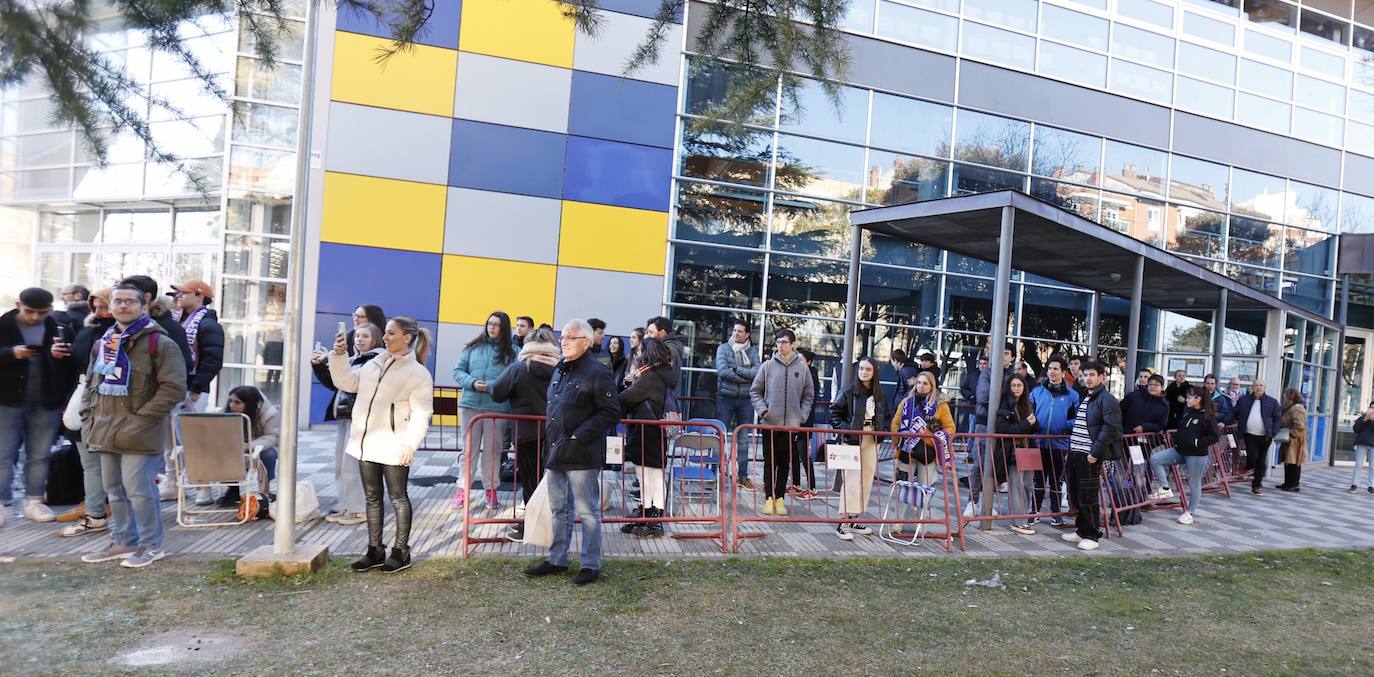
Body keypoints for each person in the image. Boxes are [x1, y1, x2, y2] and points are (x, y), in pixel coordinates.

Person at [78, 285, 187, 568]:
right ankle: (123, 540)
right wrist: (88, 416)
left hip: (140, 430)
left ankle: (151, 545)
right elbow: (93, 383)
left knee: (139, 490)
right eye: (117, 301)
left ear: (144, 306)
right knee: (114, 489)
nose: (123, 306)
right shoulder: (104, 342)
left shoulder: (160, 344)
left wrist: (142, 419)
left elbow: (173, 388)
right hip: (104, 427)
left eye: (129, 302)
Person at [329, 316, 433, 573]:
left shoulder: (418, 373)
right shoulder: (374, 363)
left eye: (391, 333)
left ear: (407, 337)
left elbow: (422, 413)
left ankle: (401, 551)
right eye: (385, 333)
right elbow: (347, 383)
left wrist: (410, 444)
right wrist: (339, 355)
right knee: (372, 498)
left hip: (395, 445)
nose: (385, 338)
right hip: (366, 443)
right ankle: (375, 550)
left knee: (398, 497)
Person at [523, 319, 622, 586]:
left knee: (587, 511)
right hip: (555, 451)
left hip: (582, 454)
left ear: (586, 343)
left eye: (570, 337)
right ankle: (557, 559)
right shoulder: (560, 370)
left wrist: (581, 433)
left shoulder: (597, 373)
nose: (563, 341)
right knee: (559, 510)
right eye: (562, 337)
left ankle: (590, 565)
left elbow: (611, 411)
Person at [1, 287, 77, 523]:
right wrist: (11, 354)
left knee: (40, 455)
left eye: (41, 312)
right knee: (4, 454)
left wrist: (56, 356)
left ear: (51, 310)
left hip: (46, 401)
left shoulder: (58, 327)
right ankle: (2, 502)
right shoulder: (3, 326)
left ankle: (34, 501)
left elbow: (71, 364)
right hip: (7, 400)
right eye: (29, 311)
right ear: (17, 304)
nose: (35, 317)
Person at [489, 327, 559, 542]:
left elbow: (497, 392)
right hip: (557, 432)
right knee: (554, 481)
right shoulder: (562, 369)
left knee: (531, 481)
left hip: (527, 433)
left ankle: (531, 528)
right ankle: (554, 526)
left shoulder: (519, 368)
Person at [311, 322, 384, 525]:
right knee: (341, 465)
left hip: (359, 418)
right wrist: (320, 364)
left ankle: (358, 509)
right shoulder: (354, 359)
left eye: (365, 336)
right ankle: (346, 504)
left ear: (376, 339)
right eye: (358, 336)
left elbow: (351, 384)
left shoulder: (375, 361)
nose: (359, 339)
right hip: (345, 415)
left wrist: (333, 360)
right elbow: (336, 383)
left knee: (352, 466)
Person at [56, 288, 114, 534]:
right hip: (83, 403)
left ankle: (103, 513)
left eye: (105, 306)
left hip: (110, 406)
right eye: (96, 307)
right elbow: (76, 368)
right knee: (90, 464)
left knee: (115, 467)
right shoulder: (88, 332)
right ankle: (94, 512)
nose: (100, 312)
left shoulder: (126, 335)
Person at [450, 311, 515, 513]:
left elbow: (514, 378)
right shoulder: (472, 347)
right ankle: (462, 490)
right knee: (468, 451)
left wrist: (491, 386)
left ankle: (491, 490)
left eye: (496, 325)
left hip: (497, 407)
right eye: (489, 324)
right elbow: (458, 371)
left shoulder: (513, 352)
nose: (492, 327)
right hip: (471, 404)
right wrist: (471, 383)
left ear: (504, 327)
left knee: (493, 452)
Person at [749, 329, 814, 517]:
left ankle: (780, 498)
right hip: (770, 423)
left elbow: (809, 395)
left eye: (784, 342)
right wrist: (763, 411)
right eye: (778, 342)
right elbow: (755, 391)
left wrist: (802, 416)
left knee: (785, 463)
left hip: (791, 425)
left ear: (793, 344)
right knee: (769, 463)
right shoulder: (767, 366)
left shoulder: (802, 369)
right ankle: (769, 498)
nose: (781, 345)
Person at [1060, 359, 1122, 552]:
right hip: (1076, 453)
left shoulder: (1107, 399)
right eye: (1085, 375)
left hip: (1089, 455)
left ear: (1102, 377)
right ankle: (1081, 530)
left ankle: (1092, 535)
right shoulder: (1088, 396)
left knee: (1088, 496)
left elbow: (1110, 428)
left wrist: (1094, 453)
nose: (1087, 378)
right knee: (1077, 495)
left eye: (1091, 375)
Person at [618, 338, 675, 538]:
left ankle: (653, 518)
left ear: (647, 354)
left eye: (640, 351)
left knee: (650, 476)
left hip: (647, 432)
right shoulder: (657, 375)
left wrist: (626, 384)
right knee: (648, 475)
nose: (636, 355)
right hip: (649, 432)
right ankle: (647, 512)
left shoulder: (650, 377)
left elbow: (625, 399)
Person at [829, 356, 889, 540]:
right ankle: (843, 522)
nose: (864, 372)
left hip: (872, 438)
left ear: (874, 372)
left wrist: (883, 431)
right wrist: (848, 431)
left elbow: (886, 415)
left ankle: (854, 518)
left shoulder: (879, 394)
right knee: (851, 479)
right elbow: (834, 414)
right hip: (852, 439)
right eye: (861, 369)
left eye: (868, 369)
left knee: (866, 478)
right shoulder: (848, 391)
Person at [1022, 356, 1079, 530]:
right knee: (1038, 480)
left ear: (1063, 372)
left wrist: (1064, 426)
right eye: (1050, 369)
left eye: (1056, 369)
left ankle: (1055, 515)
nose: (1052, 372)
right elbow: (1027, 411)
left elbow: (1076, 419)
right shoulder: (1037, 392)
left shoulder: (1072, 395)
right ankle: (1034, 513)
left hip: (1059, 444)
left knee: (1056, 481)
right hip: (1038, 443)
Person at [1147, 387, 1217, 525]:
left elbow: (1215, 436)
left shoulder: (1207, 415)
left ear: (1198, 399)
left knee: (1194, 483)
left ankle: (1189, 513)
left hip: (1196, 455)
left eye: (1190, 397)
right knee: (1156, 459)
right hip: (1180, 451)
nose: (1187, 399)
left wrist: (1198, 443)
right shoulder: (1188, 413)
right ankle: (1165, 488)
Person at [214, 386, 281, 507]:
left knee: (269, 454)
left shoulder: (269, 413)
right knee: (225, 453)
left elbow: (272, 437)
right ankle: (233, 490)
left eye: (237, 402)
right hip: (236, 446)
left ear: (249, 403)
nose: (231, 405)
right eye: (230, 401)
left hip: (260, 445)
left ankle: (265, 490)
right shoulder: (226, 412)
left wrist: (249, 446)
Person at [891, 371, 956, 490]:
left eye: (925, 383)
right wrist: (898, 440)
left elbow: (950, 428)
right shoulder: (905, 402)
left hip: (927, 453)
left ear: (932, 386)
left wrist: (931, 433)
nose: (921, 386)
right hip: (906, 452)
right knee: (901, 491)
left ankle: (922, 510)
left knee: (923, 492)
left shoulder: (941, 405)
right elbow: (895, 425)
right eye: (919, 382)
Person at [715, 319, 759, 489]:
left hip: (746, 400)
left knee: (743, 438)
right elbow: (722, 371)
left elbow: (757, 372)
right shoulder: (723, 348)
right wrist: (744, 377)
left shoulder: (753, 352)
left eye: (740, 331)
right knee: (720, 436)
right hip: (725, 397)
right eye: (734, 330)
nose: (736, 333)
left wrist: (737, 370)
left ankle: (743, 476)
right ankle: (718, 471)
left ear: (747, 334)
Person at [970, 343, 1015, 512]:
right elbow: (983, 397)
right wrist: (1005, 409)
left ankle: (987, 503)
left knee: (997, 464)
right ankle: (972, 503)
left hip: (1003, 425)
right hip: (984, 422)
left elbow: (1017, 398)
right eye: (1000, 352)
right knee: (979, 463)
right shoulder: (986, 373)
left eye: (1007, 353)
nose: (1003, 356)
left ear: (1012, 357)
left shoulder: (1014, 376)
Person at [168, 280, 223, 414]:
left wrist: (196, 388)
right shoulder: (174, 320)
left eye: (184, 293)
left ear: (199, 296)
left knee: (186, 432)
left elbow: (213, 360)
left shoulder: (208, 325)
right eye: (177, 293)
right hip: (172, 385)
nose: (178, 296)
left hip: (192, 390)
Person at [995, 375, 1039, 534]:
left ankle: (1023, 517)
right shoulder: (1004, 403)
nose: (1016, 388)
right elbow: (1004, 428)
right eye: (1013, 385)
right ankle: (1018, 520)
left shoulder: (1027, 403)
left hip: (1029, 449)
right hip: (1013, 450)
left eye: (1019, 385)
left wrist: (1032, 424)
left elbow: (1035, 426)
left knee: (1027, 485)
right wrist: (1027, 424)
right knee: (1016, 485)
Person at [1225, 378, 1280, 495]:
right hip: (1249, 434)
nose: (1258, 387)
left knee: (1261, 460)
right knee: (1253, 456)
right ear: (1252, 387)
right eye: (1256, 385)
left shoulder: (1272, 402)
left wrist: (1274, 432)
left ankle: (1257, 485)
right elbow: (1233, 413)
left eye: (1261, 385)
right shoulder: (1244, 400)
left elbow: (1278, 418)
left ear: (1264, 387)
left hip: (1265, 436)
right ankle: (1248, 466)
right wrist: (1223, 422)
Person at [791, 348, 820, 498]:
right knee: (794, 452)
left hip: (804, 422)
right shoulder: (799, 374)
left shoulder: (811, 377)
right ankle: (796, 484)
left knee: (803, 453)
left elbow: (808, 402)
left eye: (801, 359)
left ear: (808, 362)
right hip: (794, 421)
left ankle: (812, 487)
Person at [1275, 388, 1308, 492]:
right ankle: (1287, 483)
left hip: (1295, 439)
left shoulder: (1297, 408)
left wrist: (1291, 433)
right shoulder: (1290, 406)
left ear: (1290, 396)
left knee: (1294, 461)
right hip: (1290, 438)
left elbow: (1299, 425)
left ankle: (1294, 484)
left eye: (1286, 395)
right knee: (1288, 461)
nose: (1284, 397)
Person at [644, 316, 685, 387]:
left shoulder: (665, 350)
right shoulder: (672, 347)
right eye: (647, 332)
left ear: (662, 333)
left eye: (651, 332)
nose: (647, 336)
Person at [1350, 402, 1374, 494]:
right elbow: (1356, 429)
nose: (1372, 409)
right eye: (1371, 407)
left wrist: (1372, 420)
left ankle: (1371, 485)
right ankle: (1354, 484)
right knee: (1359, 464)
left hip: (1373, 445)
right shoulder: (1363, 417)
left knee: (1373, 466)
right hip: (1361, 443)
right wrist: (1365, 419)